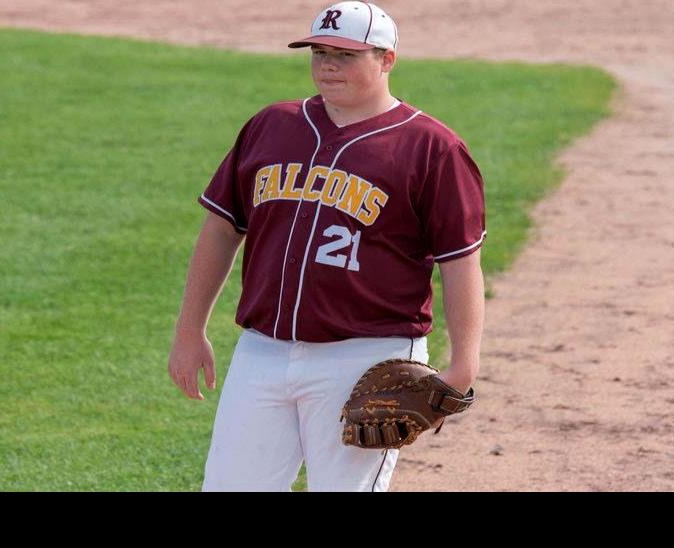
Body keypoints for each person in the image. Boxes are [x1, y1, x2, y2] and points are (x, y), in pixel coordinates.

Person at [167, 0, 486, 492]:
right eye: (318, 52)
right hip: (262, 353)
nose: (328, 65)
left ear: (386, 60)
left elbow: (460, 262)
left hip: (365, 357)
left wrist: (464, 364)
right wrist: (190, 330)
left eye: (345, 55)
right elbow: (222, 228)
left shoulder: (431, 147)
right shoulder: (270, 126)